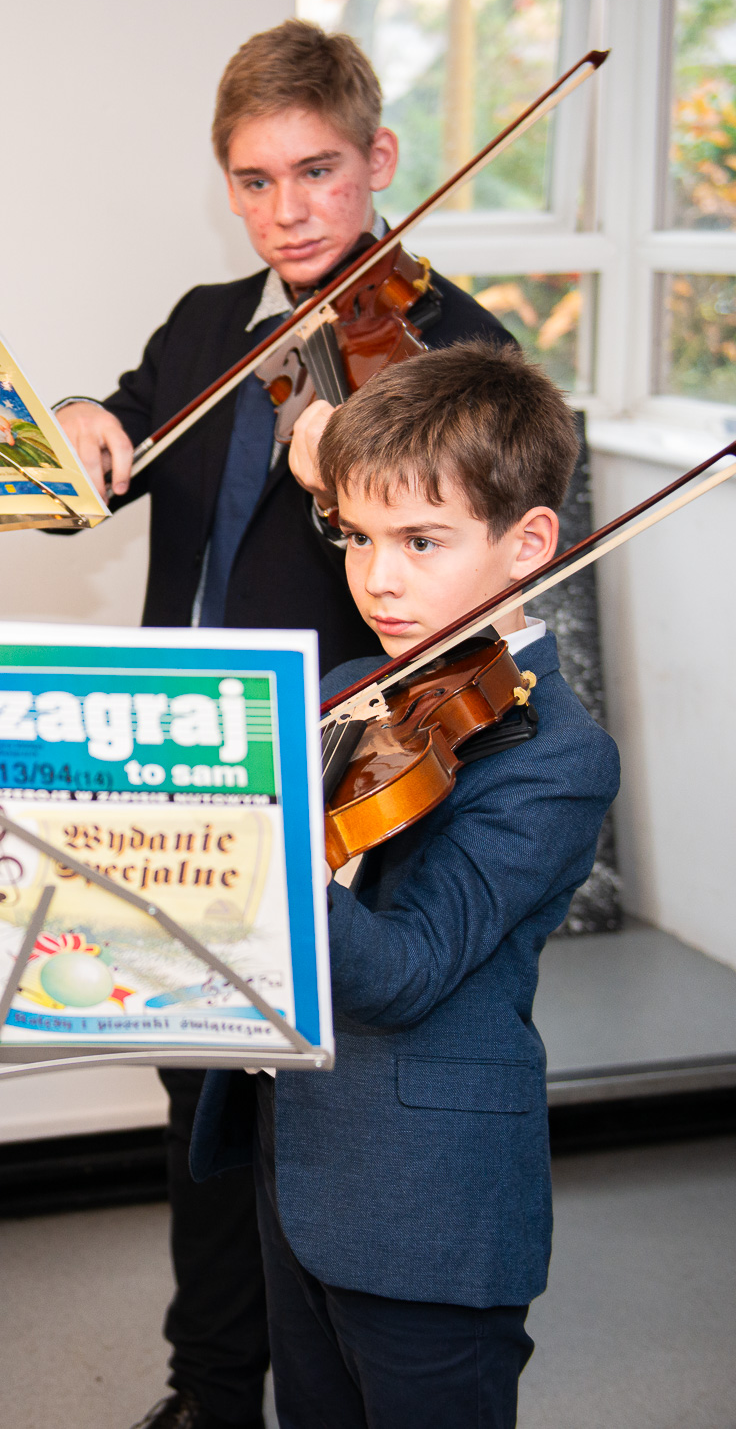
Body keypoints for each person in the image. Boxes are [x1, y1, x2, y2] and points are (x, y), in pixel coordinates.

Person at [52, 21, 515, 1429]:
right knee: (197, 1099)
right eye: (255, 181)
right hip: (177, 757)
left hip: (339, 770)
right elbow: (131, 431)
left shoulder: (455, 349)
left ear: (380, 159)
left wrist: (343, 470)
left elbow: (471, 573)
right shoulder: (206, 322)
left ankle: (340, 1383)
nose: (290, 210)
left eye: (318, 171)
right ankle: (209, 1391)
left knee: (316, 1112)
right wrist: (80, 416)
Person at [191, 341, 621, 1429]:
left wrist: (264, 842)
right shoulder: (354, 684)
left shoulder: (555, 758)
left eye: (421, 542)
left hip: (427, 1202)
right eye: (356, 536)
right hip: (298, 1159)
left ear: (529, 544)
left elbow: (404, 971)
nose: (377, 579)